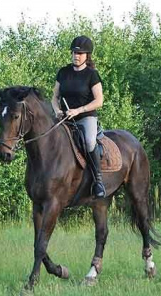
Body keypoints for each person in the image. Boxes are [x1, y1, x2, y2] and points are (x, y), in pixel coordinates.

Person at [52, 35, 106, 198]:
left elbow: (99, 101)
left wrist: (78, 110)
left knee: (89, 141)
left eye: (80, 54)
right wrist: (56, 110)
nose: (76, 56)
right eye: (74, 53)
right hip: (64, 117)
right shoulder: (63, 72)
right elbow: (54, 97)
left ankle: (98, 181)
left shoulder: (92, 75)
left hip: (85, 117)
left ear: (87, 56)